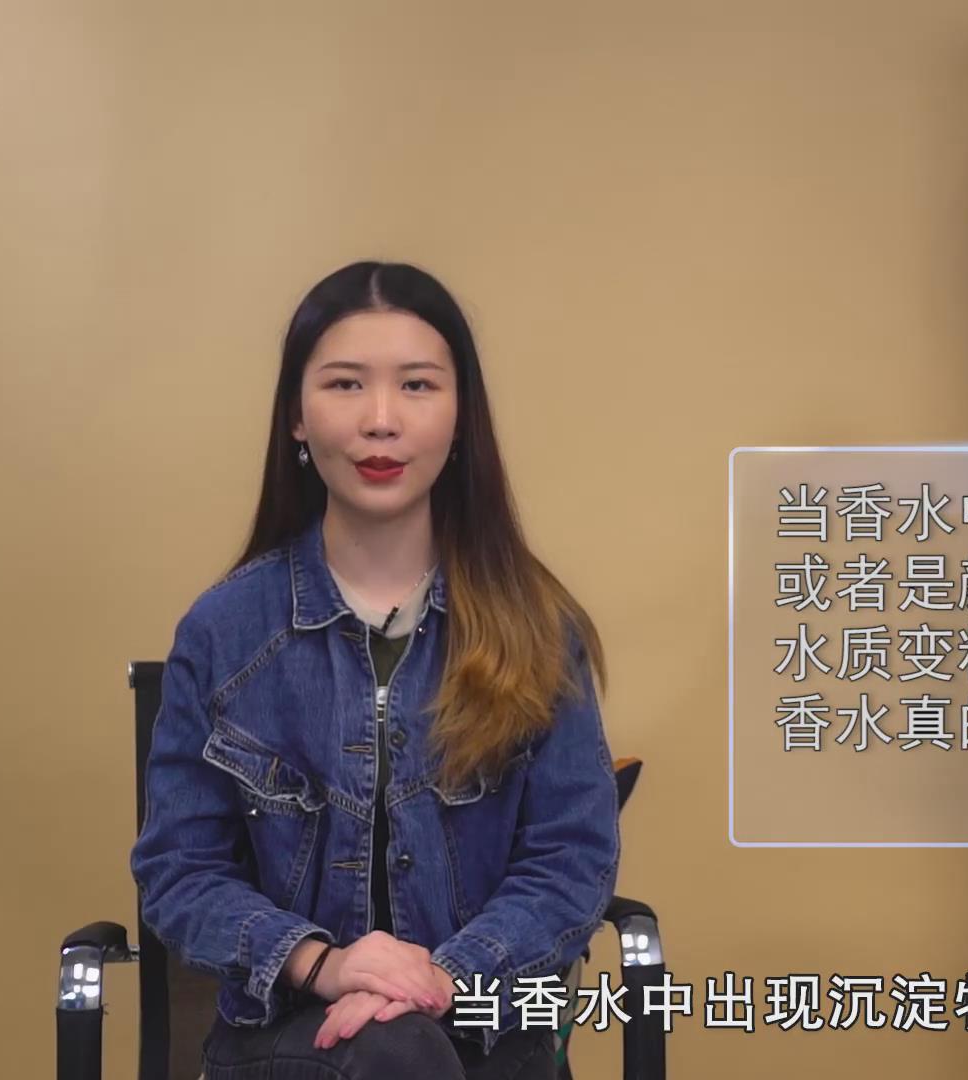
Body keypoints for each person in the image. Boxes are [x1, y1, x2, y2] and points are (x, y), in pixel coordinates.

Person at [129, 260, 621, 1079]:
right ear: (297, 415)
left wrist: (443, 978)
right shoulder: (226, 631)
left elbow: (572, 861)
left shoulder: (537, 628)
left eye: (417, 386)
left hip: (488, 1032)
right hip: (286, 1042)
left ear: (461, 418)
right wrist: (324, 964)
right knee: (394, 1051)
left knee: (415, 1048)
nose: (381, 420)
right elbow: (179, 874)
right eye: (346, 384)